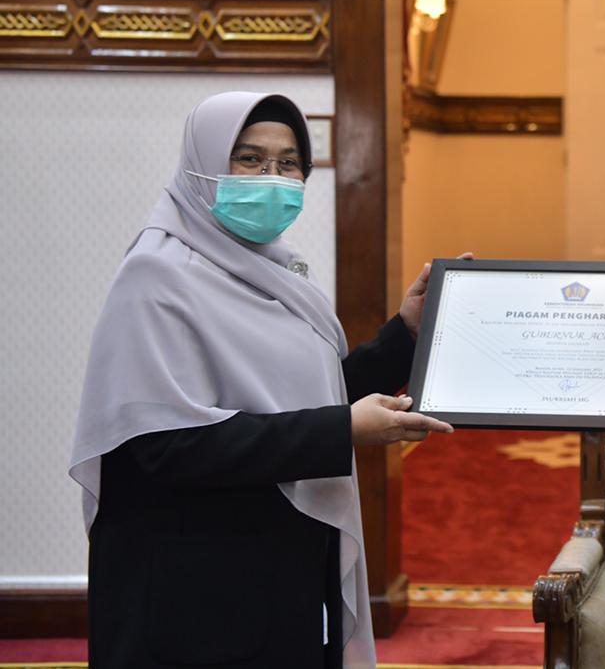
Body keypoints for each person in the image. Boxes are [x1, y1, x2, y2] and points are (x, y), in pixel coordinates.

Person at [69, 91, 460, 668]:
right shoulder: (157, 277)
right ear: (203, 164)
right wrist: (341, 431)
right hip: (192, 587)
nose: (272, 178)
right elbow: (162, 446)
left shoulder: (278, 272)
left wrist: (404, 334)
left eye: (289, 163)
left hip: (278, 562)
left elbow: (308, 395)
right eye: (249, 159)